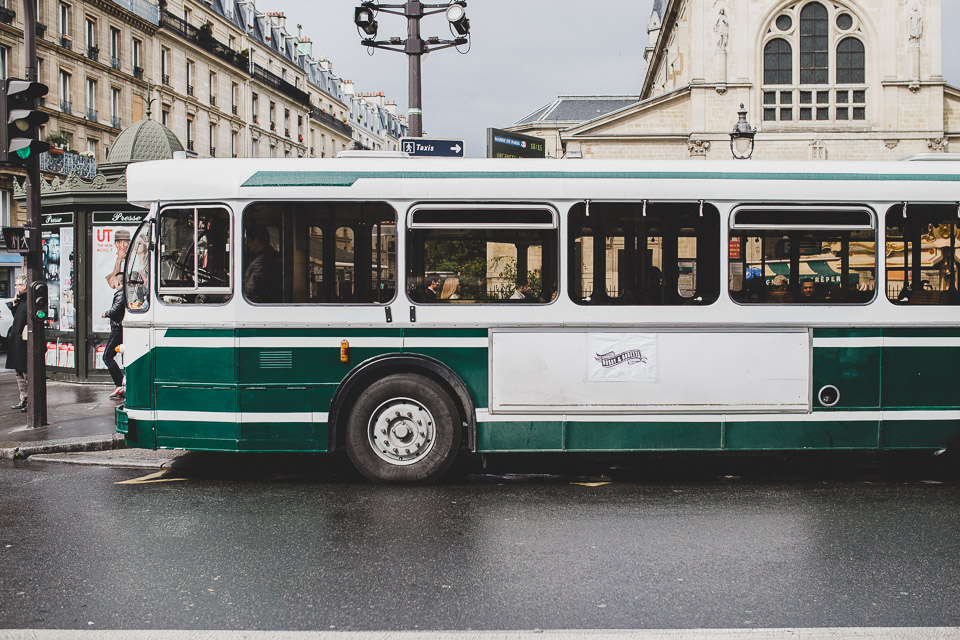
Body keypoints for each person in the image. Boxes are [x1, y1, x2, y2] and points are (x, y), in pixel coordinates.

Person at [243, 224, 281, 303]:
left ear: (257, 241)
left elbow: (251, 289)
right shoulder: (270, 256)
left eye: (249, 242)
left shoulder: (261, 262)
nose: (248, 245)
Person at [102, 275, 125, 399]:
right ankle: (121, 383)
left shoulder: (121, 293)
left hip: (117, 329)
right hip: (119, 328)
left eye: (114, 282)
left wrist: (106, 313)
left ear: (118, 282)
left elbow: (115, 310)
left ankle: (119, 384)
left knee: (107, 356)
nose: (113, 284)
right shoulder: (124, 292)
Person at [6, 276, 28, 412]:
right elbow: (18, 319)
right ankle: (23, 399)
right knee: (19, 373)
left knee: (26, 373)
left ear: (24, 286)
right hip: (17, 341)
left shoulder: (29, 301)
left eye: (18, 284)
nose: (15, 287)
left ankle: (29, 401)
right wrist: (14, 305)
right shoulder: (21, 301)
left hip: (23, 342)